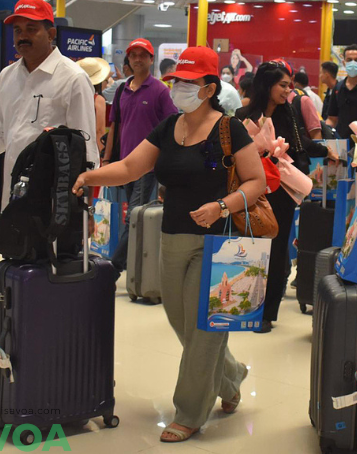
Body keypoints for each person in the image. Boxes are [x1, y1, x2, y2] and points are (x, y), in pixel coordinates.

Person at [72, 46, 265, 443]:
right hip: (173, 235)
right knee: (182, 323)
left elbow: (256, 182)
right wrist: (89, 177)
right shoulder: (169, 128)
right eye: (177, 81)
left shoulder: (231, 129)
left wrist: (220, 206)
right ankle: (231, 377)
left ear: (210, 88)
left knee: (201, 328)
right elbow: (129, 167)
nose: (178, 88)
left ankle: (190, 412)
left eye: (188, 83)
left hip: (216, 241)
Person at [0, 0, 99, 400]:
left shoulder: (72, 78)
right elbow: (1, 135)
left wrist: (84, 209)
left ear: (52, 33)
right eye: (17, 30)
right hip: (17, 204)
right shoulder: (8, 77)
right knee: (13, 285)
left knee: (50, 289)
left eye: (32, 28)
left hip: (56, 208)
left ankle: (49, 373)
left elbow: (87, 149)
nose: (22, 36)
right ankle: (10, 371)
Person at [235, 62, 331, 333]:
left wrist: (327, 151)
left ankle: (268, 312)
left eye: (289, 85)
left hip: (281, 192)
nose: (288, 90)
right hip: (250, 190)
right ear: (267, 85)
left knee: (277, 250)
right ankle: (246, 304)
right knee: (251, 245)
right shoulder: (243, 114)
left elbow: (303, 145)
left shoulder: (288, 113)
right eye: (283, 85)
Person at [102, 38, 178, 278]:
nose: (137, 59)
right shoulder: (123, 90)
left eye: (142, 55)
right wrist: (106, 160)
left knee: (133, 216)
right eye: (133, 55)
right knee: (135, 217)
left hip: (147, 167)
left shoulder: (159, 91)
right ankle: (136, 265)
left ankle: (113, 268)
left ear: (150, 59)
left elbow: (172, 126)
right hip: (125, 165)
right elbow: (115, 126)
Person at [77, 57, 111, 156]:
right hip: (91, 148)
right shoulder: (98, 100)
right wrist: (103, 155)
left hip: (74, 145)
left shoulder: (74, 96)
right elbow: (99, 130)